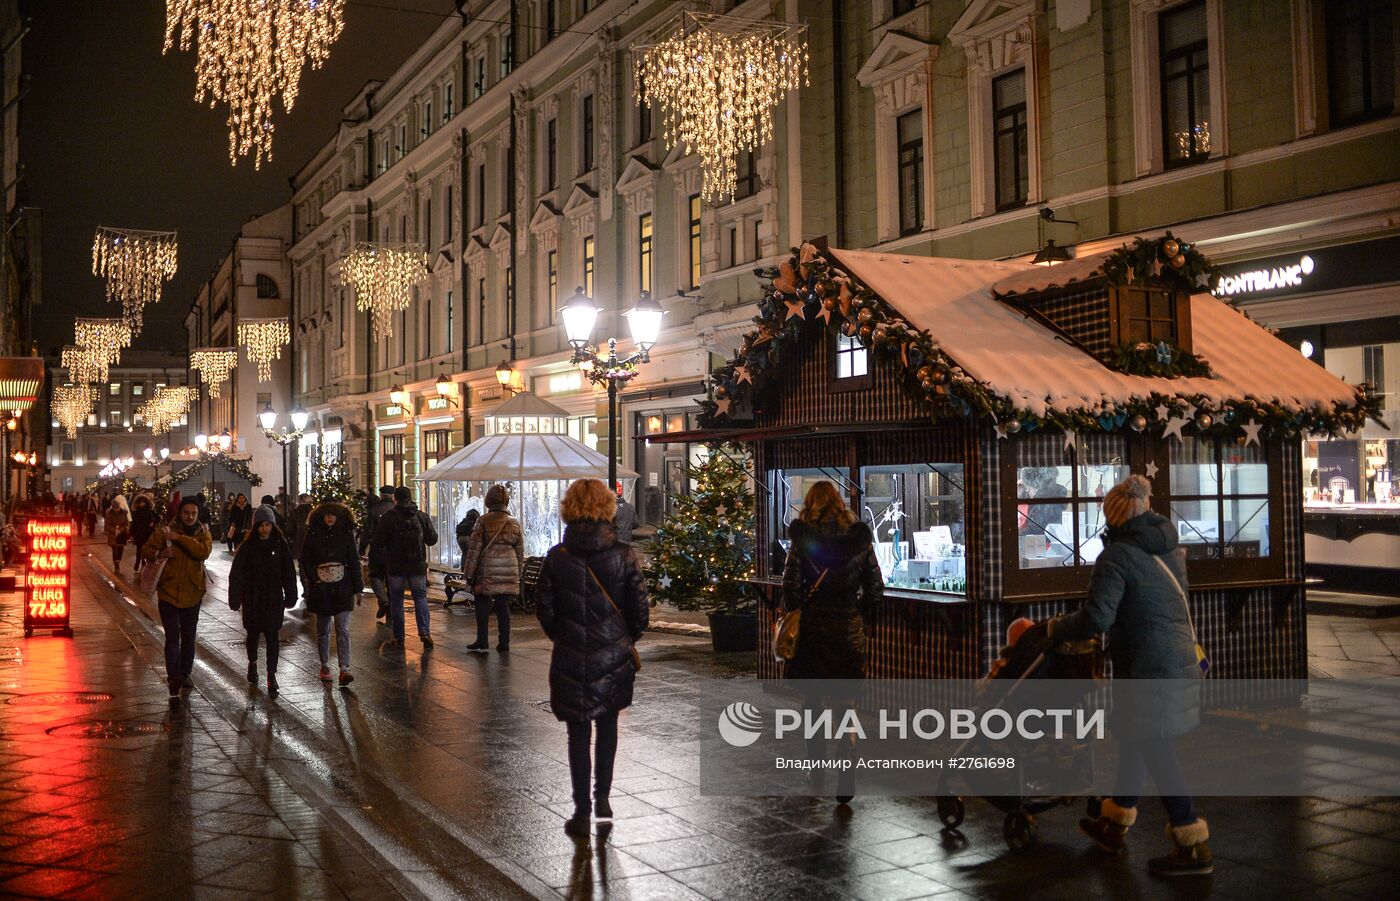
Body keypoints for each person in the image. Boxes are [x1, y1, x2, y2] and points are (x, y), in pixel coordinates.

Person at [1052, 475, 1211, 876]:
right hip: (1175, 661)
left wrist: (1056, 628)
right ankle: (1115, 821)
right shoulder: (1168, 547)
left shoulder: (1118, 556)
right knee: (1137, 740)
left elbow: (1097, 617)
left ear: (1116, 517)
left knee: (1156, 748)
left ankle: (1192, 843)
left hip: (1149, 668)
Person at [535, 479, 649, 837]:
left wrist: (565, 636)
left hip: (570, 653)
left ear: (569, 508)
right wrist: (621, 638)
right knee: (608, 725)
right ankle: (603, 798)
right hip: (613, 655)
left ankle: (581, 808)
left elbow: (545, 610)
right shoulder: (625, 555)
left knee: (577, 732)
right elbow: (640, 612)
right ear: (607, 508)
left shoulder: (557, 557)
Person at [780, 480, 884, 806]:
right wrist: (862, 616)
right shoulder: (859, 541)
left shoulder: (802, 542)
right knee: (846, 703)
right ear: (840, 504)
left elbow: (791, 589)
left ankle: (817, 769)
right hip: (848, 629)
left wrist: (797, 610)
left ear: (810, 504)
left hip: (812, 631)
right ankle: (847, 768)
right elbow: (876, 587)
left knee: (812, 702)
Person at [141, 498, 213, 700]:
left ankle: (185, 673)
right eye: (186, 513)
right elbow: (145, 549)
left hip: (193, 591)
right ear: (179, 514)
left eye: (193, 513)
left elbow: (203, 552)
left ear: (197, 515)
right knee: (173, 637)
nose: (190, 516)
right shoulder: (164, 532)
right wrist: (160, 552)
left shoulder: (203, 533)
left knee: (189, 637)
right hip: (169, 593)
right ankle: (173, 676)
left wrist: (180, 539)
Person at [228, 505, 297, 698]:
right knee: (253, 634)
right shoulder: (248, 547)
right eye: (261, 525)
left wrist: (291, 595)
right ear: (255, 526)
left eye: (268, 525)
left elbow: (288, 573)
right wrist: (235, 598)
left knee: (272, 637)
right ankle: (252, 662)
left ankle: (271, 674)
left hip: (273, 599)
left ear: (273, 525)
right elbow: (237, 574)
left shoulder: (280, 545)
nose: (264, 529)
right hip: (252, 598)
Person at [300, 500, 363, 685]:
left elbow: (353, 561)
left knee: (342, 628)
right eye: (327, 515)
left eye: (333, 515)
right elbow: (305, 559)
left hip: (343, 587)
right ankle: (325, 665)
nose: (329, 518)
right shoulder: (313, 534)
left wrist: (358, 588)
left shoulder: (346, 534)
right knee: (323, 630)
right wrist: (315, 579)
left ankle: (345, 668)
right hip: (322, 588)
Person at [369, 486, 438, 648]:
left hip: (395, 567)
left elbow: (377, 541)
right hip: (417, 566)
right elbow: (432, 539)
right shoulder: (421, 516)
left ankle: (399, 636)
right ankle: (425, 632)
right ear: (410, 497)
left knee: (397, 601)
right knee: (420, 598)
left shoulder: (388, 517)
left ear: (395, 499)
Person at [461, 485, 524, 652]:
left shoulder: (483, 521)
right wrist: (517, 573)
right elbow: (519, 552)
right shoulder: (515, 523)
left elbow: (473, 550)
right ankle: (504, 643)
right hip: (508, 570)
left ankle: (482, 640)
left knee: (482, 604)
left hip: (487, 570)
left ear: (489, 500)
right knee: (503, 608)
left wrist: (468, 574)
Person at [359, 486, 396, 620]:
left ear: (381, 496)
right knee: (391, 579)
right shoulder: (396, 510)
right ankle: (389, 607)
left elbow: (367, 532)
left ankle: (383, 601)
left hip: (378, 550)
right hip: (394, 551)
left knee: (375, 576)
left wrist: (362, 549)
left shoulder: (374, 510)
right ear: (393, 496)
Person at [130, 494, 159, 574]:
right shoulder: (136, 512)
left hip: (147, 533)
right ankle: (137, 564)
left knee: (145, 549)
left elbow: (157, 518)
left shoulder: (149, 511)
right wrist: (131, 533)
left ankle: (144, 563)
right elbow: (134, 524)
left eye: (142, 502)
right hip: (139, 533)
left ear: (145, 502)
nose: (141, 504)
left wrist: (153, 522)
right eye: (140, 502)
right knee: (139, 550)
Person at [105, 494, 132, 572]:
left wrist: (121, 530)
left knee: (120, 549)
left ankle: (118, 561)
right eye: (114, 508)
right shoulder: (109, 513)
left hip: (121, 534)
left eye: (117, 508)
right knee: (115, 550)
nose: (116, 510)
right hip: (113, 535)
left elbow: (126, 523)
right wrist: (114, 530)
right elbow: (107, 525)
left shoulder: (124, 512)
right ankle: (116, 566)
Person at [289, 493, 313, 561]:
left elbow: (289, 529)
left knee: (301, 565)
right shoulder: (313, 512)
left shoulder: (294, 513)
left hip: (298, 543)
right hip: (311, 544)